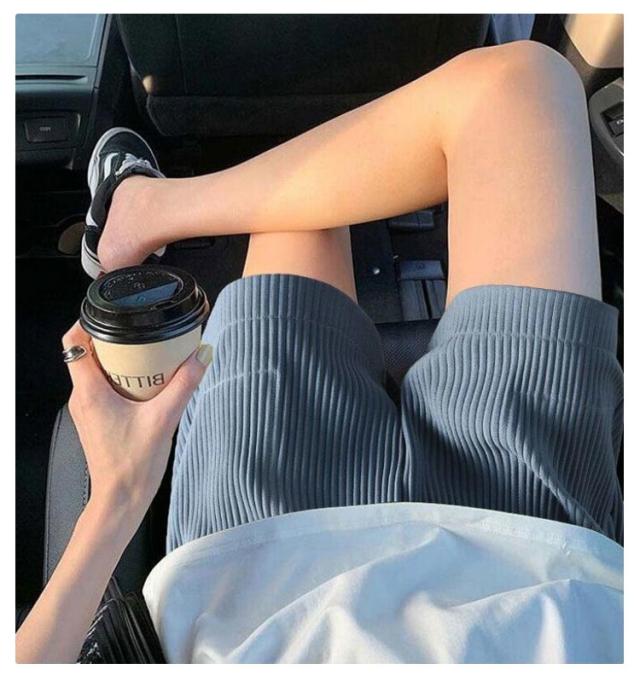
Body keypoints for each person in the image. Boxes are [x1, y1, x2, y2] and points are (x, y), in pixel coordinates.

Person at [16, 40, 623, 663]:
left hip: (260, 574)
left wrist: (118, 495)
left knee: (303, 211)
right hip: (541, 560)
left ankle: (143, 210)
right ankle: (142, 209)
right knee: (523, 89)